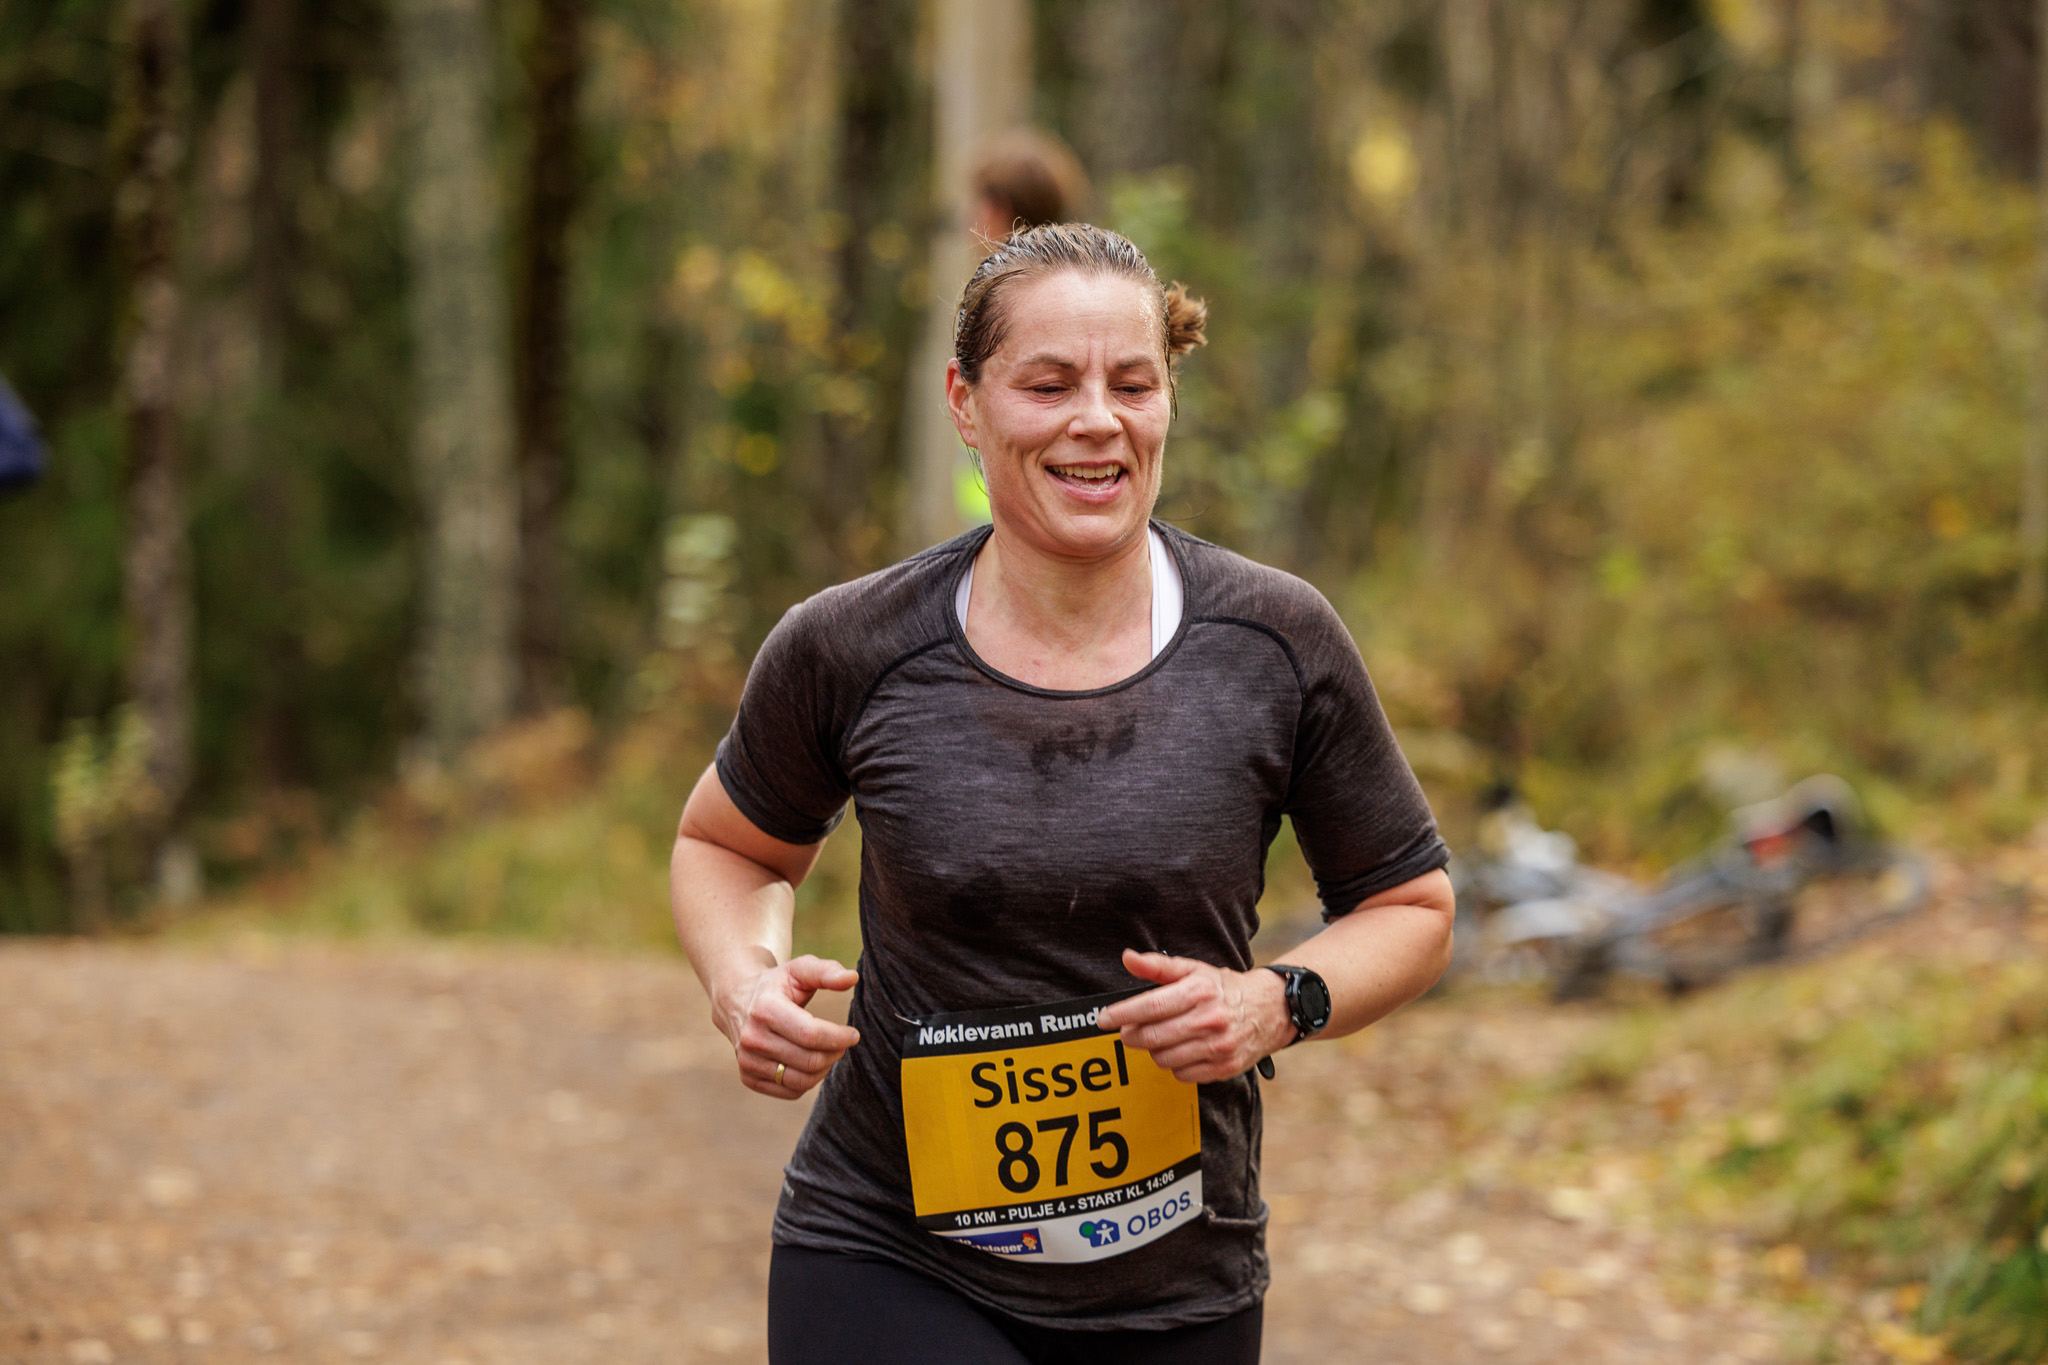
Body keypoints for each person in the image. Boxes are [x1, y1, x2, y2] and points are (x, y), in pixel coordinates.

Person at [671, 223, 1455, 1364]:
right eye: (1047, 385)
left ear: (1167, 400)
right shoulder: (851, 646)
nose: (1096, 420)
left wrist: (1275, 1002)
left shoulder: (1273, 642)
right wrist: (745, 984)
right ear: (965, 402)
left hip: (1176, 1282)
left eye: (1131, 384)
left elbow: (1411, 907)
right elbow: (728, 845)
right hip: (888, 1253)